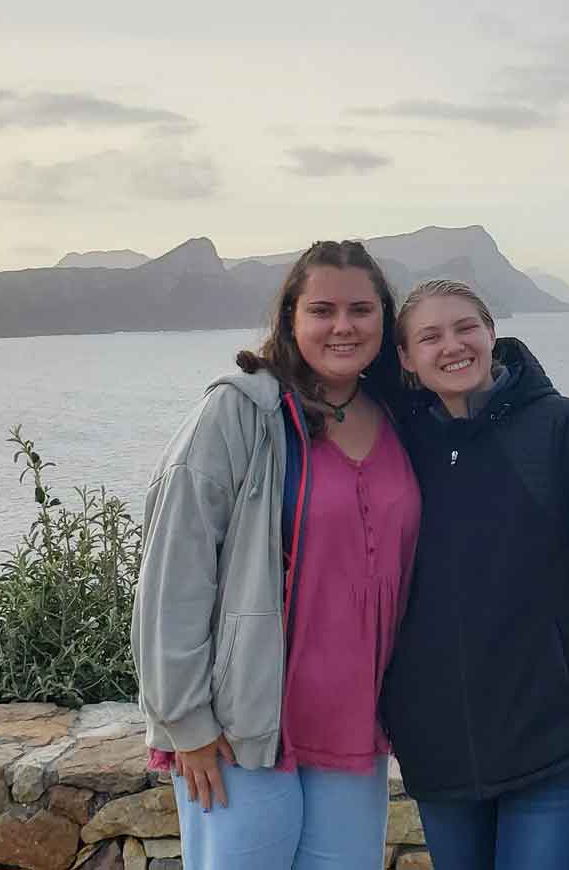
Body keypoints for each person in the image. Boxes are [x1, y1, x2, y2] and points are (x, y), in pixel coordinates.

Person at [132, 240, 421, 869]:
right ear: (291, 319)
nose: (342, 326)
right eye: (322, 309)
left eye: (360, 309)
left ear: (384, 320)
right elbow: (174, 572)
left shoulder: (402, 418)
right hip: (244, 729)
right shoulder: (241, 413)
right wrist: (187, 722)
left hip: (353, 727)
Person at [381, 279, 569, 870]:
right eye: (429, 336)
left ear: (492, 333)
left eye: (466, 327)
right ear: (406, 359)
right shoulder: (394, 442)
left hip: (551, 740)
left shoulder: (563, 429)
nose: (453, 345)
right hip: (437, 746)